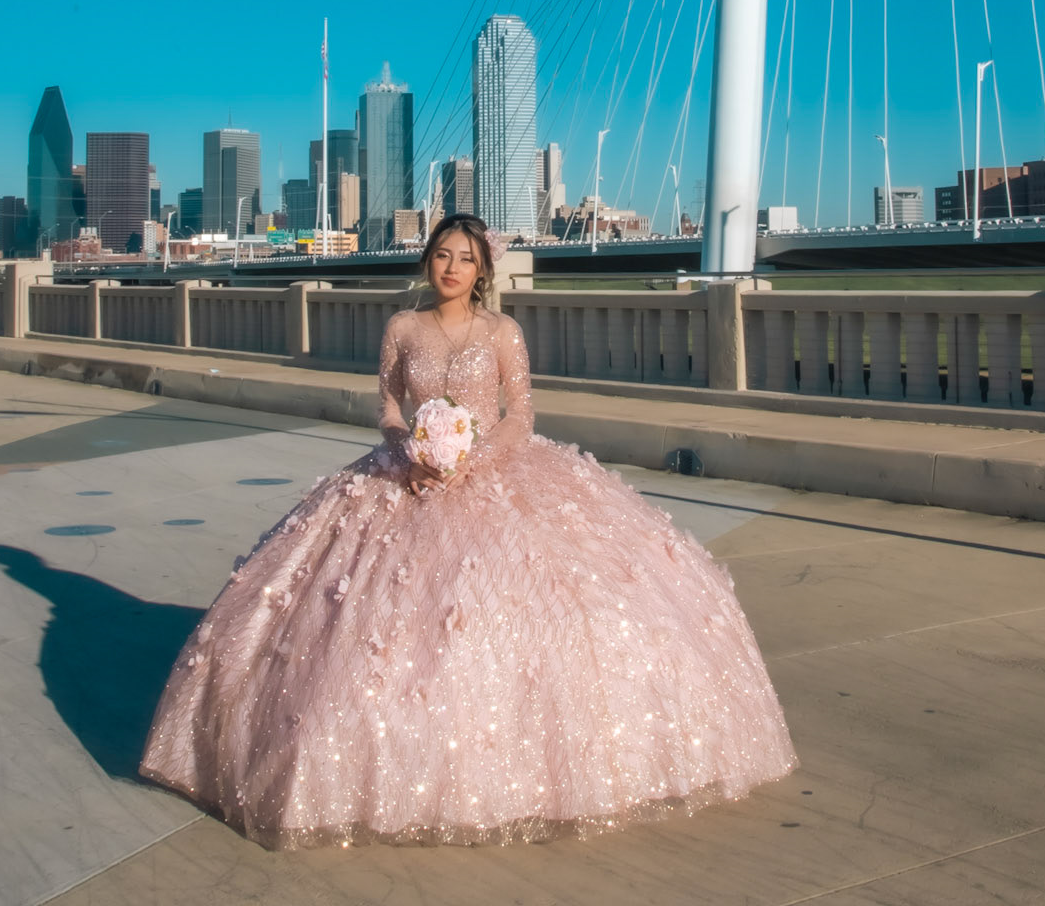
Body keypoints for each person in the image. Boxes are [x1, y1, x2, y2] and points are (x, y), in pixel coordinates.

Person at [141, 213, 796, 846]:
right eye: (442, 255)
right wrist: (411, 453)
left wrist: (469, 460)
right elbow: (388, 406)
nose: (452, 268)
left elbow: (521, 413)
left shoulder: (502, 331)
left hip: (494, 468)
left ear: (482, 270)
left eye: (466, 259)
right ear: (427, 260)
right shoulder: (403, 326)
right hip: (411, 471)